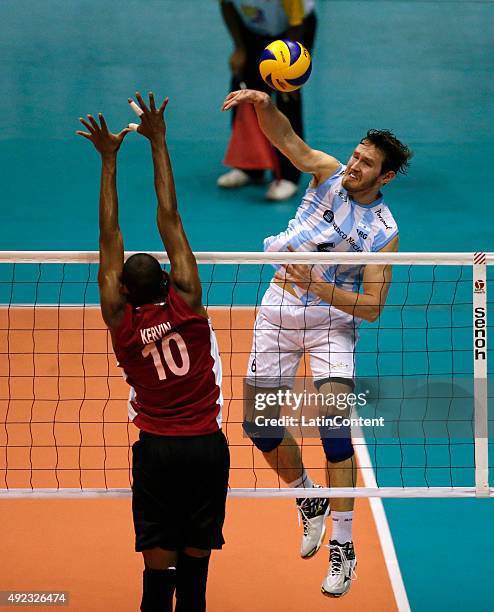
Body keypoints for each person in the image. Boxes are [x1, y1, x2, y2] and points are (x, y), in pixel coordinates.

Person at [222, 88, 412, 597]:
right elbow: (287, 140)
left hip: (332, 318)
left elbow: (372, 307)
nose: (353, 165)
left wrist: (321, 287)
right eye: (355, 155)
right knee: (259, 426)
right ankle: (307, 495)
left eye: (366, 163)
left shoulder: (385, 232)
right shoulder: (326, 173)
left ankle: (343, 548)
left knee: (332, 425)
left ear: (385, 176)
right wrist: (264, 105)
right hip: (279, 306)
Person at [77, 93, 229, 612]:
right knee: (195, 575)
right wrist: (157, 140)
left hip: (159, 454)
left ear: (121, 289)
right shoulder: (187, 298)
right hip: (206, 450)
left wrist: (108, 158)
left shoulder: (119, 322)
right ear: (166, 279)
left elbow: (108, 236)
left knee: (156, 577)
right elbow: (170, 215)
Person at [218, 0, 317, 200]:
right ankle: (250, 167)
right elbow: (227, 5)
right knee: (244, 93)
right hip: (252, 32)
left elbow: (296, 23)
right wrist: (239, 48)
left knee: (287, 98)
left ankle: (289, 175)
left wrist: (289, 68)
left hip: (290, 32)